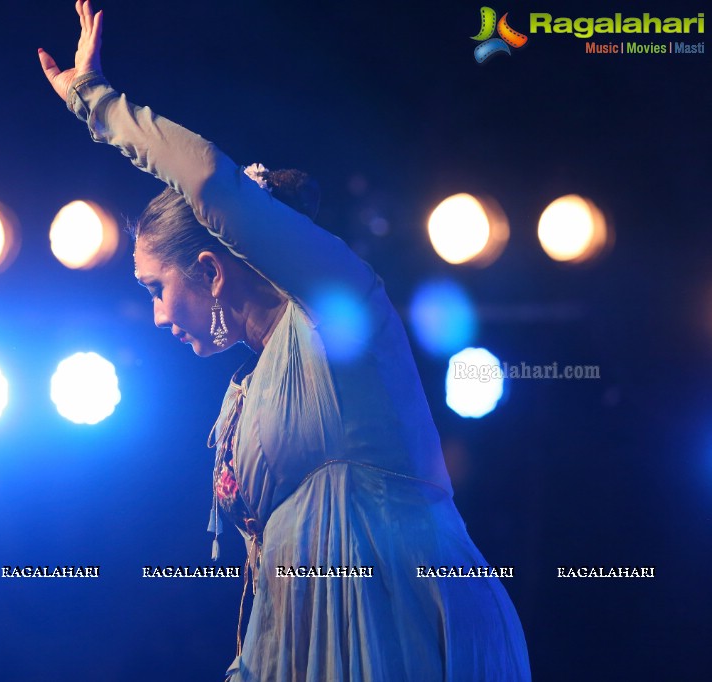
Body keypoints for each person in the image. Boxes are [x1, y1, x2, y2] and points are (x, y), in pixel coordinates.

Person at [40, 3, 531, 680]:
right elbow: (265, 579)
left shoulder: (336, 311)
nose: (155, 316)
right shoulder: (245, 394)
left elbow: (211, 181)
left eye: (156, 287)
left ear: (209, 270)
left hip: (395, 616)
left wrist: (96, 104)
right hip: (301, 645)